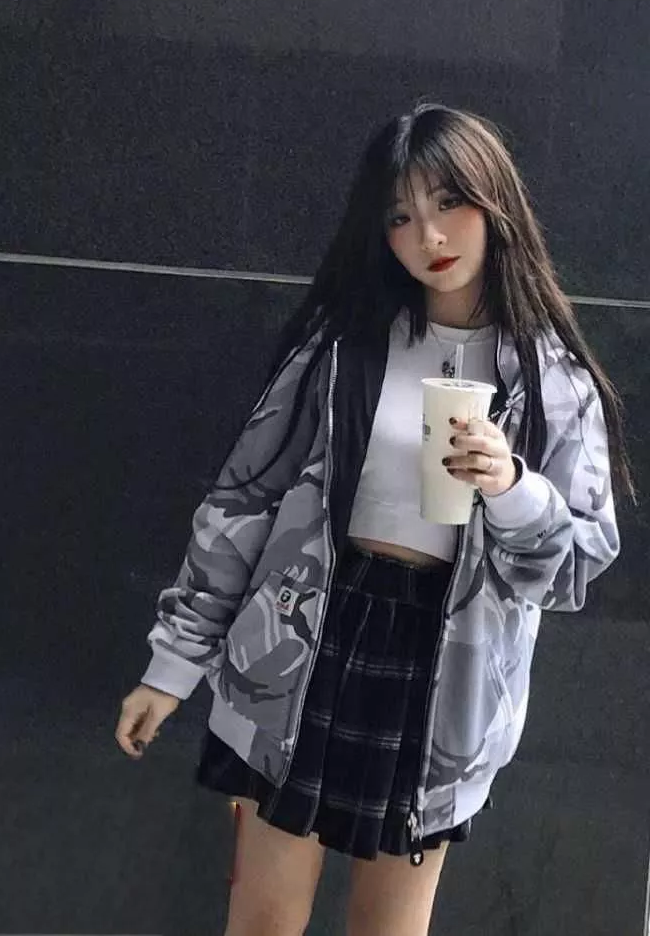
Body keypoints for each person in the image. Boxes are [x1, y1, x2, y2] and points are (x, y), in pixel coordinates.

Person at [115, 102, 630, 936]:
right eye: (400, 216)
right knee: (262, 922)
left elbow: (572, 566)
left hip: (445, 671)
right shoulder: (344, 346)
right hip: (305, 639)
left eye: (449, 202)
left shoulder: (553, 382)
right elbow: (243, 501)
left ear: (496, 202)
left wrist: (510, 486)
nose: (430, 235)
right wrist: (171, 666)